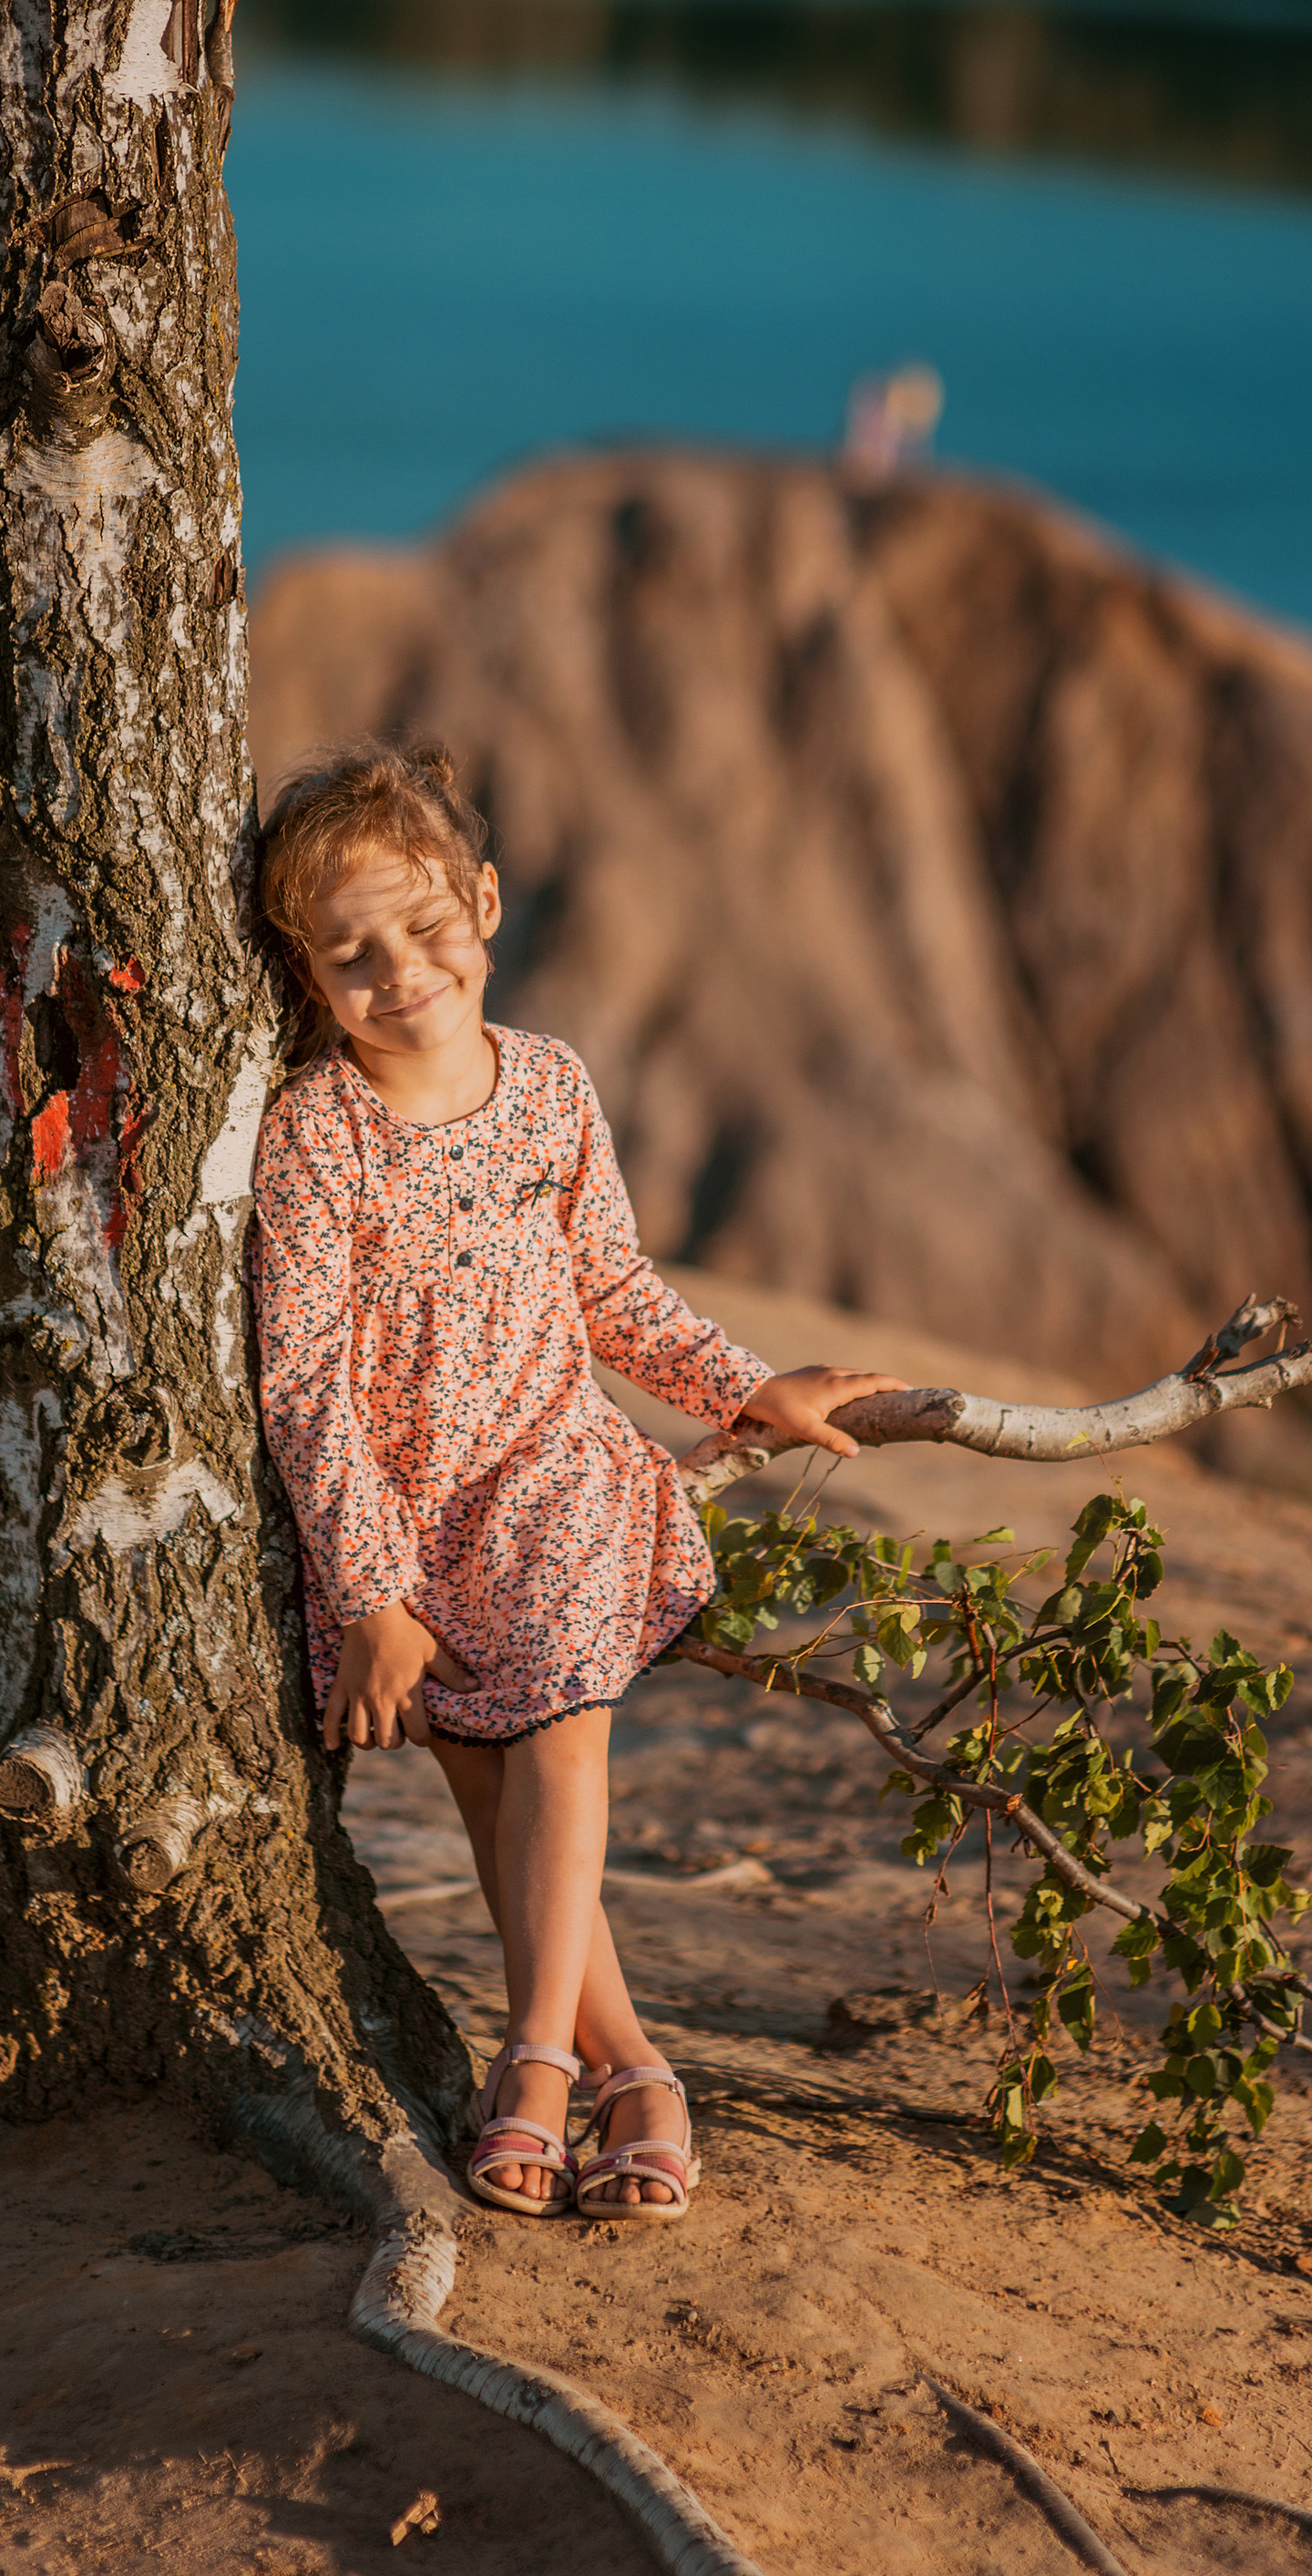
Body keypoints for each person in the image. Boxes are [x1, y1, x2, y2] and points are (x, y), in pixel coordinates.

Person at [251, 740, 903, 2225]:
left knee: (561, 1740)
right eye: (352, 955)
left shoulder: (549, 1086)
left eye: (427, 928)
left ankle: (532, 2058)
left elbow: (612, 1289)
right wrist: (372, 1596)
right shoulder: (314, 1135)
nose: (401, 973)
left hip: (555, 1475)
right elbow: (305, 1385)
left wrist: (746, 1390)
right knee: (498, 1804)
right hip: (405, 1519)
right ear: (307, 974)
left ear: (484, 905)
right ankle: (641, 2075)